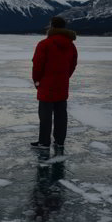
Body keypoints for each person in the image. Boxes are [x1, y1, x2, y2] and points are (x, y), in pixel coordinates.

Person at [31, 16, 77, 160]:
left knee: (45, 115)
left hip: (46, 85)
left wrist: (37, 80)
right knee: (61, 115)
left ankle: (44, 142)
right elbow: (73, 65)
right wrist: (64, 77)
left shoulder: (44, 44)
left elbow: (38, 65)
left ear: (51, 26)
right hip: (62, 85)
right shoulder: (71, 45)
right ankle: (60, 142)